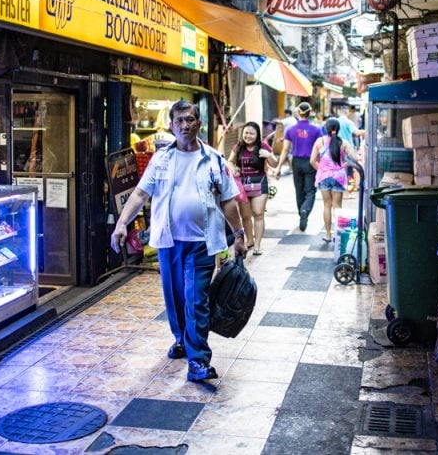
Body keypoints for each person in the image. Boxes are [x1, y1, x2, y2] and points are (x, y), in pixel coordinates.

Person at [110, 99, 247, 383]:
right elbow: (139, 195)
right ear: (171, 125)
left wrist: (240, 235)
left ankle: (198, 360)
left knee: (196, 299)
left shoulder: (213, 160)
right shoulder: (161, 159)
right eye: (179, 121)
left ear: (199, 123)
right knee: (174, 297)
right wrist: (122, 223)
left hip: (201, 243)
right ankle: (181, 339)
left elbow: (229, 202)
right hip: (169, 241)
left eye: (190, 119)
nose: (185, 125)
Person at [228, 122, 277, 256]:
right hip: (243, 185)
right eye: (246, 133)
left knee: (258, 213)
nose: (248, 136)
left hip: (260, 183)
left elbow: (274, 163)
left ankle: (257, 245)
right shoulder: (238, 147)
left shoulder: (263, 146)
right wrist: (233, 168)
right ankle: (249, 240)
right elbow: (230, 161)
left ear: (257, 135)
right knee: (245, 216)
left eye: (252, 133)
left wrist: (268, 155)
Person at [274, 101, 323, 231]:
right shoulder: (317, 130)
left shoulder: (291, 129)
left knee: (299, 190)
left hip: (296, 162)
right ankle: (305, 210)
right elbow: (321, 150)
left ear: (298, 113)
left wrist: (278, 167)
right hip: (311, 162)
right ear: (310, 113)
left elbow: (284, 150)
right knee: (310, 191)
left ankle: (301, 212)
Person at [311, 118, 356, 242]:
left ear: (326, 129)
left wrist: (320, 169)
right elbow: (355, 158)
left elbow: (312, 160)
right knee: (337, 206)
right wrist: (345, 164)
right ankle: (338, 234)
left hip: (324, 177)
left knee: (327, 205)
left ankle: (328, 234)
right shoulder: (344, 143)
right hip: (339, 177)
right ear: (338, 129)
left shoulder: (319, 141)